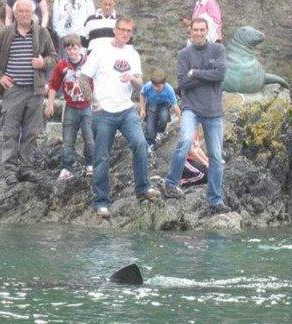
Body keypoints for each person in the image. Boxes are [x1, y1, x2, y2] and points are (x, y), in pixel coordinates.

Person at [79, 16, 161, 218]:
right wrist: (92, 101)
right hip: (104, 112)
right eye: (122, 29)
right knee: (102, 157)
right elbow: (83, 78)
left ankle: (143, 188)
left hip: (126, 110)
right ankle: (101, 201)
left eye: (129, 31)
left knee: (140, 145)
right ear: (115, 30)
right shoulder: (100, 50)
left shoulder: (132, 54)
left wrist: (132, 79)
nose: (125, 33)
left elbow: (141, 85)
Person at [0, 0, 58, 186]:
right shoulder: (5, 33)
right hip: (13, 90)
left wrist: (43, 63)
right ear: (15, 14)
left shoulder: (42, 33)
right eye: (21, 11)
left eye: (27, 11)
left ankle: (26, 168)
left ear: (33, 13)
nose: (24, 14)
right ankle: (9, 171)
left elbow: (54, 57)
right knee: (10, 132)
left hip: (35, 90)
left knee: (31, 132)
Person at [164, 18, 231, 215]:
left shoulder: (218, 50)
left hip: (214, 112)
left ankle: (215, 200)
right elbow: (183, 83)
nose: (199, 33)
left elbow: (220, 75)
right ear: (190, 32)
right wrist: (203, 75)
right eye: (195, 30)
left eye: (202, 30)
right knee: (185, 141)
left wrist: (196, 73)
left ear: (207, 31)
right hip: (190, 109)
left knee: (216, 157)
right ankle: (171, 184)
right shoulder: (184, 54)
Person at [44, 34, 94, 181]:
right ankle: (67, 168)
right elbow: (53, 85)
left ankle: (90, 164)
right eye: (69, 49)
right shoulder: (61, 66)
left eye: (75, 48)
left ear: (80, 48)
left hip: (87, 106)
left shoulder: (89, 63)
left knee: (90, 137)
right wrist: (50, 104)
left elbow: (98, 80)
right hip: (70, 106)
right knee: (67, 140)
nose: (72, 52)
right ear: (65, 50)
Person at [139, 69, 180, 152]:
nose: (155, 88)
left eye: (158, 87)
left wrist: (181, 119)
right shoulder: (148, 86)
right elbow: (142, 95)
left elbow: (175, 106)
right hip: (151, 105)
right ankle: (150, 143)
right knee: (150, 128)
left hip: (164, 105)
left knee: (164, 117)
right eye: (154, 86)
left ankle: (160, 131)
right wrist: (142, 109)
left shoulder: (169, 89)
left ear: (164, 84)